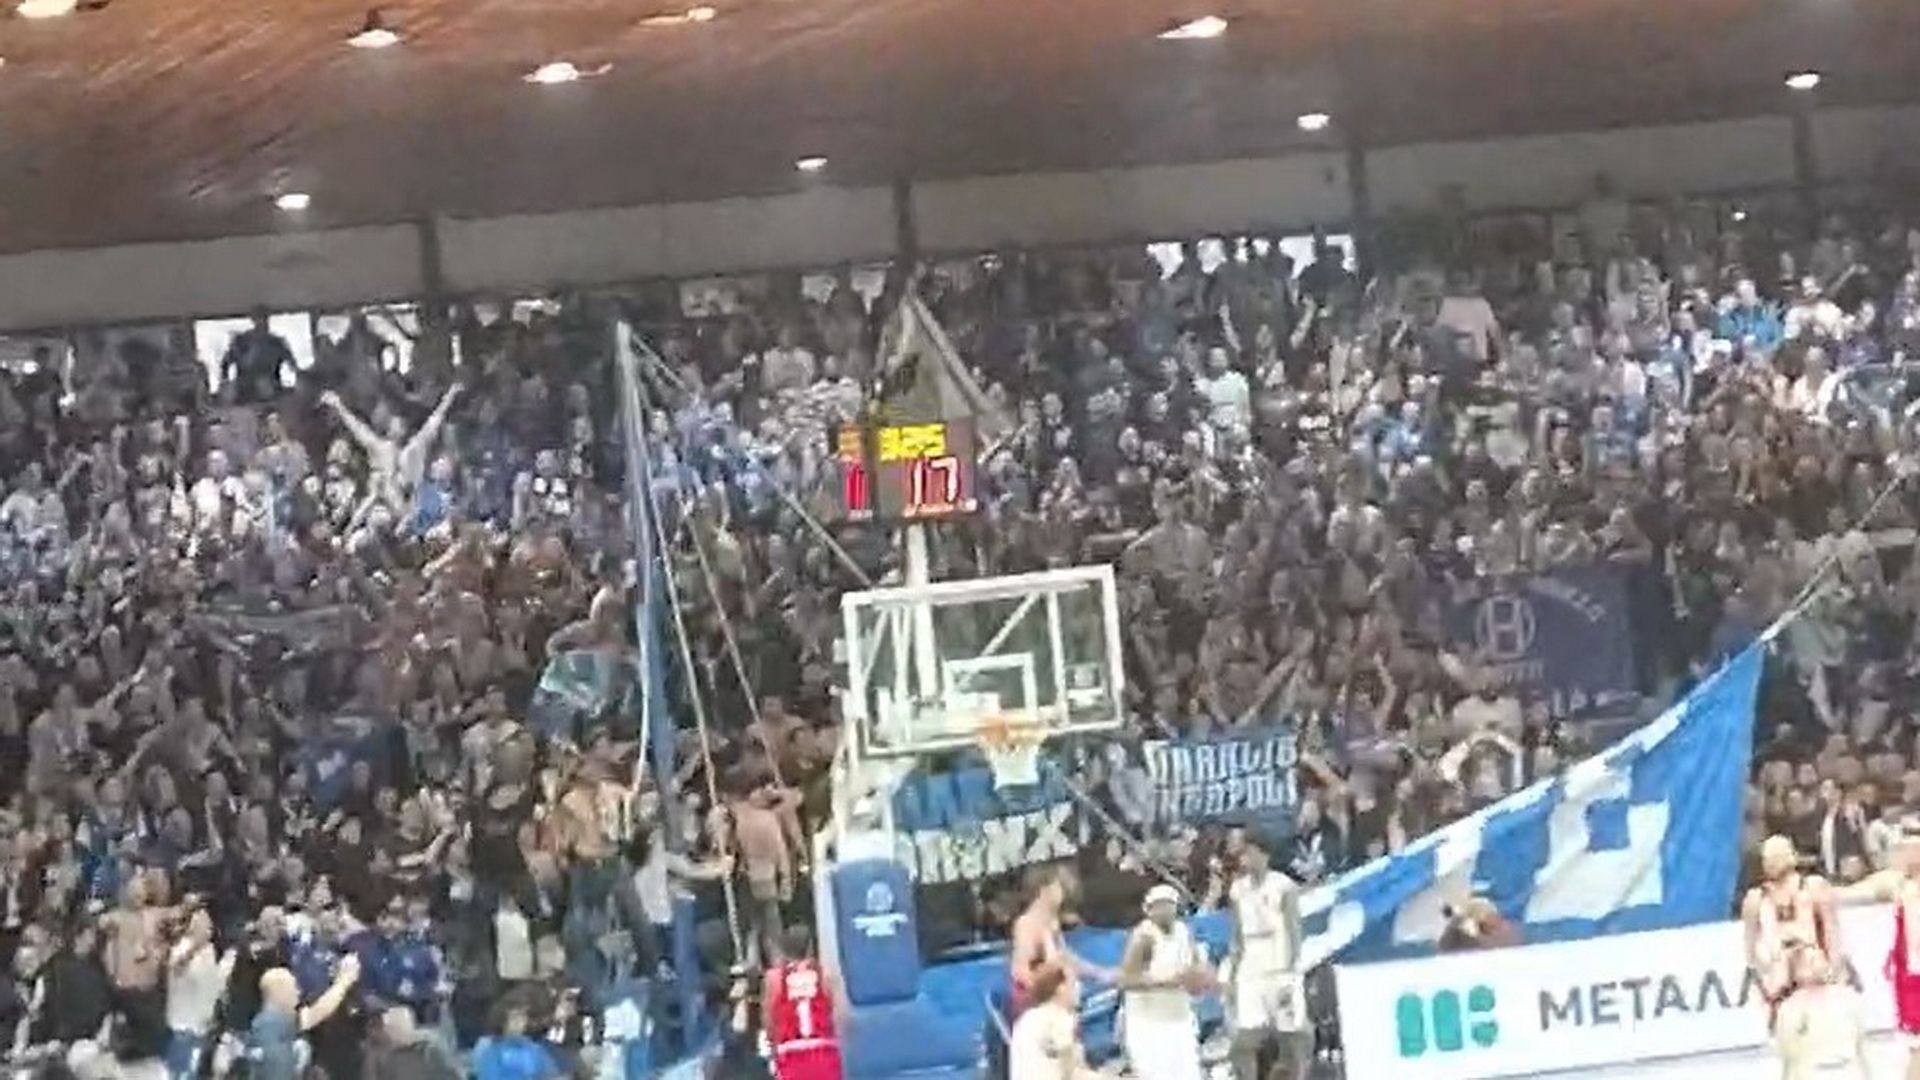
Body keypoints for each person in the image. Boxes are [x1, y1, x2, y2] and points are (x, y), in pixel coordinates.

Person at [1227, 837, 1309, 1080]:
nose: (1247, 859)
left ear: (1265, 856)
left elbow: (1294, 929)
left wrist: (1292, 970)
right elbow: (1237, 935)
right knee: (1244, 1041)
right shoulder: (1237, 890)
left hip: (1280, 968)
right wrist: (1232, 975)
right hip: (1251, 971)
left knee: (1292, 1035)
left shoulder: (1283, 886)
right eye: (1245, 854)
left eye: (1252, 853)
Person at [1117, 882, 1210, 1080]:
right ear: (1148, 910)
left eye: (1169, 904)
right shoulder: (1143, 936)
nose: (1164, 910)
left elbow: (1195, 968)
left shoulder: (1184, 931)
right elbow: (1125, 980)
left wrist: (1200, 978)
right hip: (1149, 1023)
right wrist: (1165, 981)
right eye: (1158, 905)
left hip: (1179, 1017)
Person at [1744, 835, 1838, 1032]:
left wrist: (1833, 967)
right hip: (1779, 971)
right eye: (1767, 858)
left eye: (1777, 856)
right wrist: (1765, 972)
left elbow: (1831, 931)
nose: (1771, 863)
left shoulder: (1813, 886)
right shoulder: (1756, 898)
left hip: (1811, 967)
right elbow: (1750, 947)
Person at [245, 952, 362, 1080]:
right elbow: (317, 1012)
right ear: (279, 993)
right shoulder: (272, 1023)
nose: (298, 992)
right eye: (293, 987)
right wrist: (344, 980)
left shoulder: (267, 1023)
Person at [1775, 944, 1870, 1080]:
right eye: (1808, 961)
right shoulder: (1791, 1006)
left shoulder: (1847, 996)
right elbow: (1788, 1052)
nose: (1815, 965)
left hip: (1847, 1069)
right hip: (1812, 1072)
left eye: (1818, 958)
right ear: (1796, 971)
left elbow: (1860, 1041)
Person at [762, 925, 844, 1080]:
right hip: (823, 1049)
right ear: (810, 947)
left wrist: (772, 1049)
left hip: (791, 1052)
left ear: (783, 949)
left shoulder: (775, 977)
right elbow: (834, 1012)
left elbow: (769, 1020)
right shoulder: (824, 974)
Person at [164, 908, 234, 1080]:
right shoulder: (180, 947)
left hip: (203, 1025)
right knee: (180, 1073)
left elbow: (214, 983)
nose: (207, 928)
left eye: (209, 924)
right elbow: (176, 967)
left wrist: (227, 964)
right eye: (202, 923)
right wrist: (195, 947)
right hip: (182, 1025)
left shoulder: (210, 951)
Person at [1007, 963, 1095, 1080]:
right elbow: (1072, 1072)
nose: (1080, 988)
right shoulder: (1060, 1018)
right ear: (1060, 988)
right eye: (1074, 983)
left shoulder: (1027, 1017)